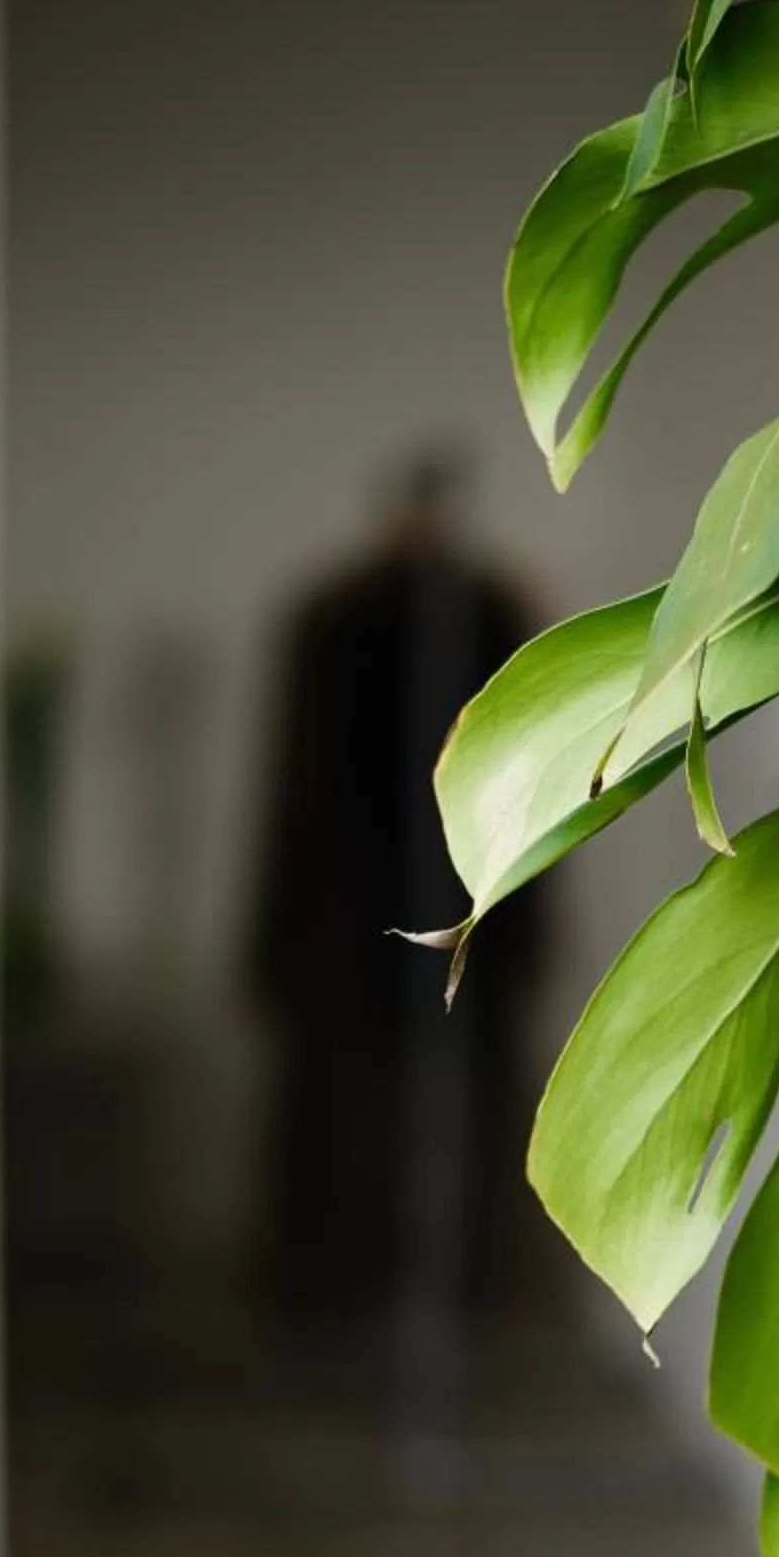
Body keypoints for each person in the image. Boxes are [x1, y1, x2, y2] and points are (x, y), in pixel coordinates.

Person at [244, 452, 539, 1330]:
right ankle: (326, 1283)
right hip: (347, 911)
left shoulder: (491, 614)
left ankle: (470, 1283)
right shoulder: (331, 619)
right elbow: (294, 792)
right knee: (341, 1102)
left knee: (470, 1102)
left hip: (465, 899)